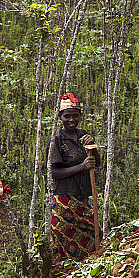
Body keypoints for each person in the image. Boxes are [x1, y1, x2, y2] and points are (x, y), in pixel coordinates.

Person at [49, 92, 101, 262]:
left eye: (75, 116)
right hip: (64, 199)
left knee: (95, 232)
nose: (71, 120)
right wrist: (81, 167)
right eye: (67, 116)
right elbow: (53, 173)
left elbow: (96, 163)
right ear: (60, 117)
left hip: (83, 196)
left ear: (80, 116)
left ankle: (89, 265)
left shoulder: (82, 135)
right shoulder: (56, 138)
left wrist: (92, 145)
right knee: (63, 239)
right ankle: (63, 272)